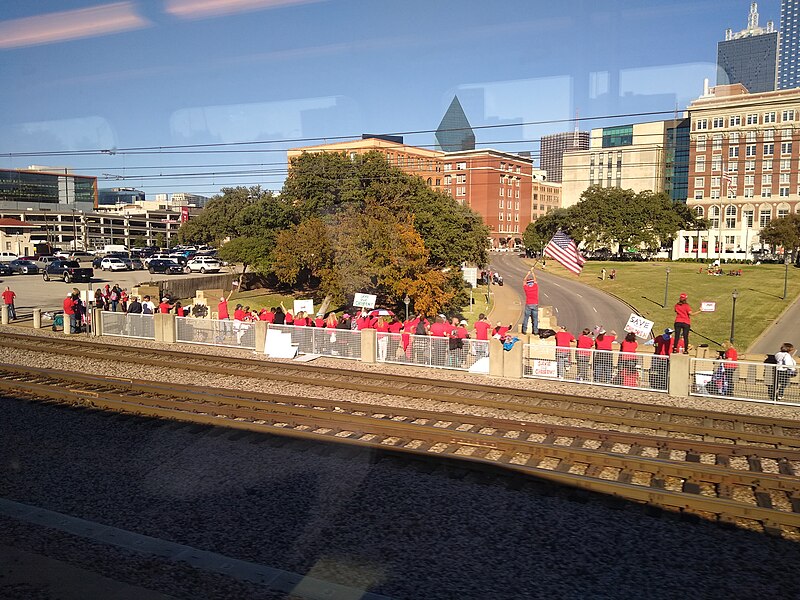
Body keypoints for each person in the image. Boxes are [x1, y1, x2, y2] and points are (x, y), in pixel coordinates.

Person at [521, 268, 539, 335]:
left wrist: (528, 274)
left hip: (528, 304)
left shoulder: (527, 288)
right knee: (535, 319)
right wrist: (532, 272)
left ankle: (524, 330)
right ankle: (535, 331)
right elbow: (535, 280)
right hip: (535, 304)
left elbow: (524, 281)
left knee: (526, 318)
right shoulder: (535, 287)